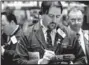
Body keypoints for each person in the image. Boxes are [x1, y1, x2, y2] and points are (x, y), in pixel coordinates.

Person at [14, 1, 86, 64]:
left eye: (58, 16)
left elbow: (82, 59)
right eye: (51, 16)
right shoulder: (28, 34)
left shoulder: (69, 34)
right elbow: (17, 60)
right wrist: (39, 62)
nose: (54, 20)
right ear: (42, 14)